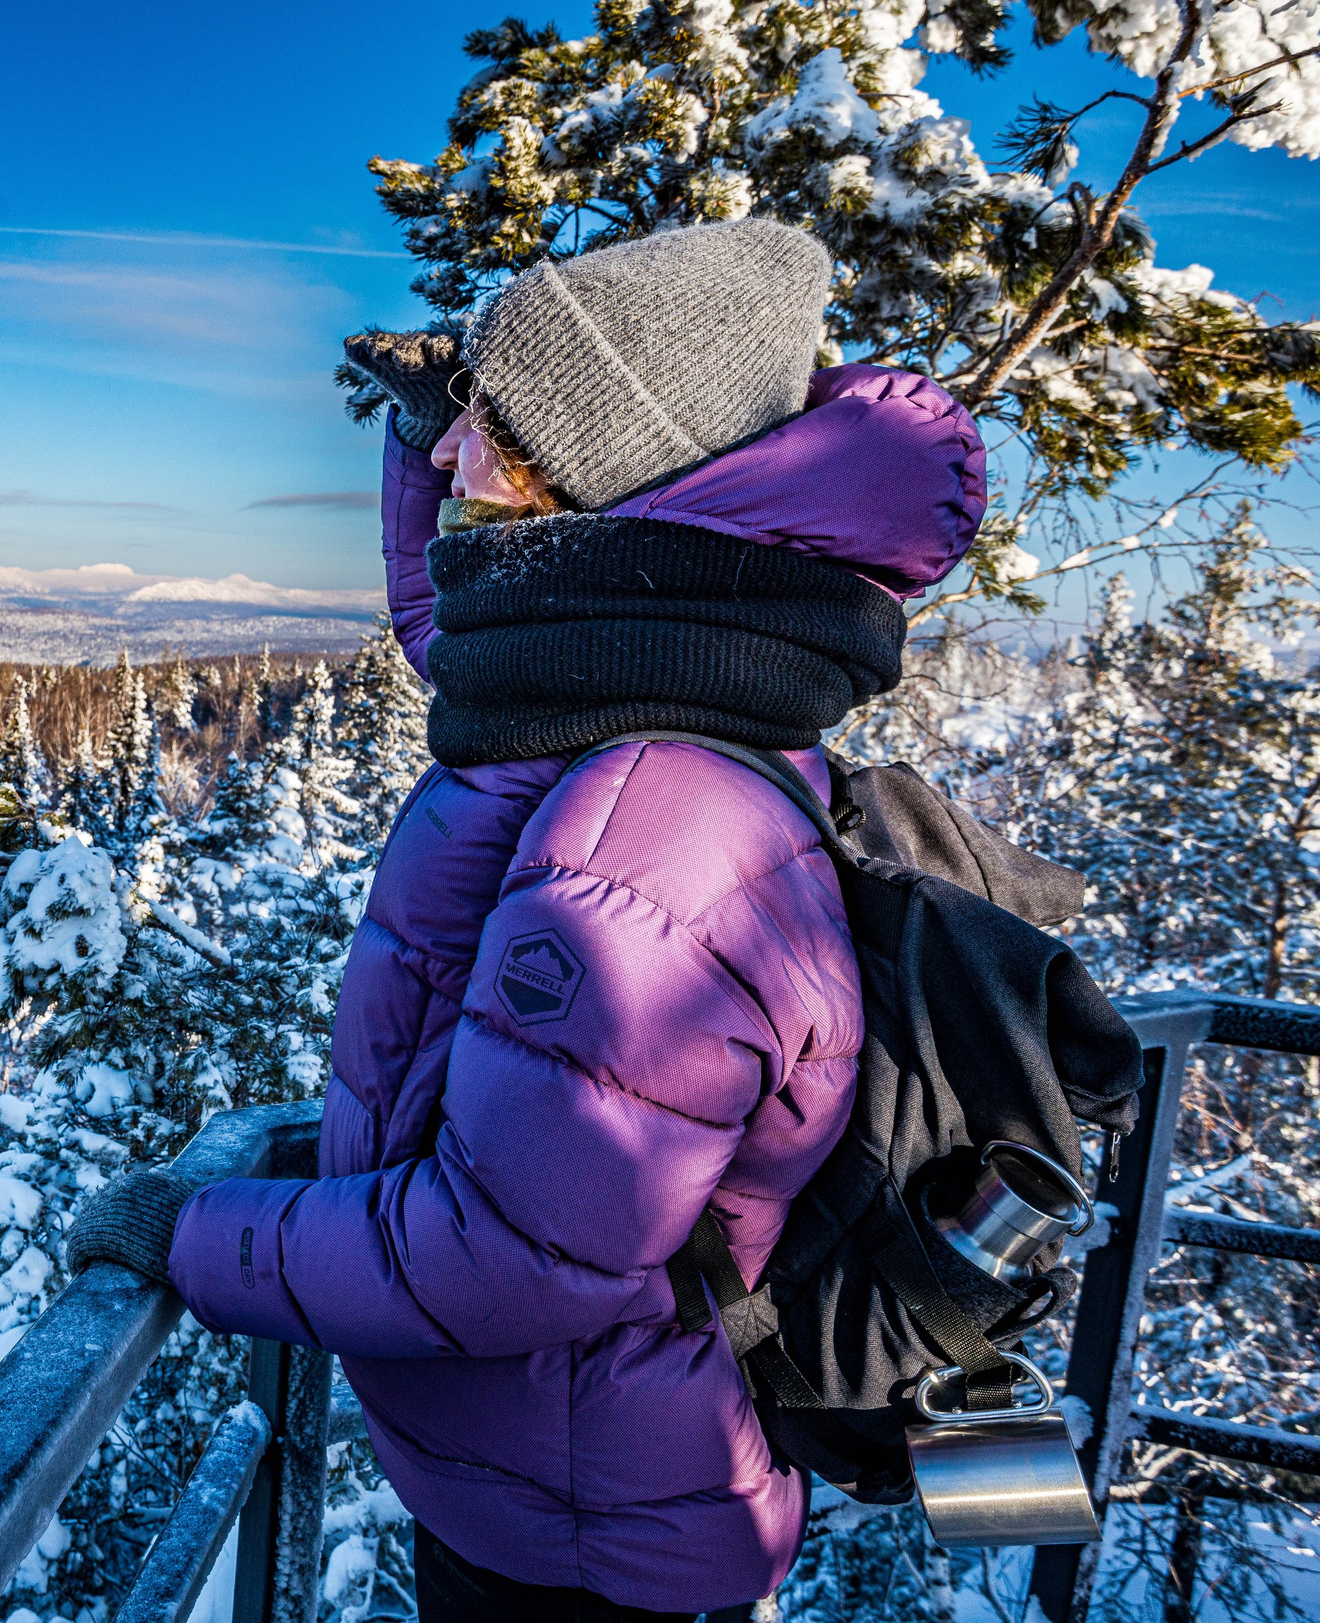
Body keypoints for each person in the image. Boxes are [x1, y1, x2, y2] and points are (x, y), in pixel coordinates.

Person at [68, 219, 990, 1621]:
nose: (453, 459)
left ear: (602, 474)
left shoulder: (653, 838)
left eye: (494, 430)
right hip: (576, 1477)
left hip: (583, 1547)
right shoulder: (661, 675)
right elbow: (472, 641)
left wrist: (189, 1235)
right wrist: (423, 435)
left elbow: (503, 1258)